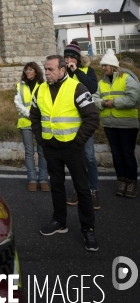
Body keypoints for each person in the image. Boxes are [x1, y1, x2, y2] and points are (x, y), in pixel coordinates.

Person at [30, 55, 100, 251]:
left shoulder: (77, 88)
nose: (47, 73)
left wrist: (77, 142)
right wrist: (41, 139)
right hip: (50, 147)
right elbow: (34, 116)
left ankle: (88, 229)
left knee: (82, 189)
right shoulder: (40, 89)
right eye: (46, 69)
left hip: (72, 147)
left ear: (62, 70)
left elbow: (92, 118)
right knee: (57, 185)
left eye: (51, 69)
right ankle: (59, 221)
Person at [92, 49, 139, 199]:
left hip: (127, 124)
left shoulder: (127, 78)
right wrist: (102, 104)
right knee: (117, 155)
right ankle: (121, 182)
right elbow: (94, 99)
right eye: (102, 65)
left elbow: (134, 99)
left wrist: (114, 102)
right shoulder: (102, 82)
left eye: (105, 65)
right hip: (109, 124)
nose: (103, 68)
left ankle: (131, 183)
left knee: (127, 153)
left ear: (112, 65)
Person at [63, 41, 100, 209]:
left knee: (89, 157)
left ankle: (93, 191)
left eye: (71, 57)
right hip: (70, 122)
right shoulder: (63, 73)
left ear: (77, 59)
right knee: (76, 160)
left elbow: (92, 88)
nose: (68, 59)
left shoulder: (86, 71)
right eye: (66, 57)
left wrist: (75, 71)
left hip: (85, 122)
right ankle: (79, 189)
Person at [14, 62, 49, 191]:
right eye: (26, 70)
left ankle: (43, 179)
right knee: (29, 152)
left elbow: (46, 103)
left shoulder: (44, 85)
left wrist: (36, 116)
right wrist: (30, 114)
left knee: (42, 152)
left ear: (36, 71)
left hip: (40, 123)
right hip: (25, 122)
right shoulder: (20, 86)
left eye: (31, 69)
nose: (28, 72)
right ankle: (32, 179)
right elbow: (17, 103)